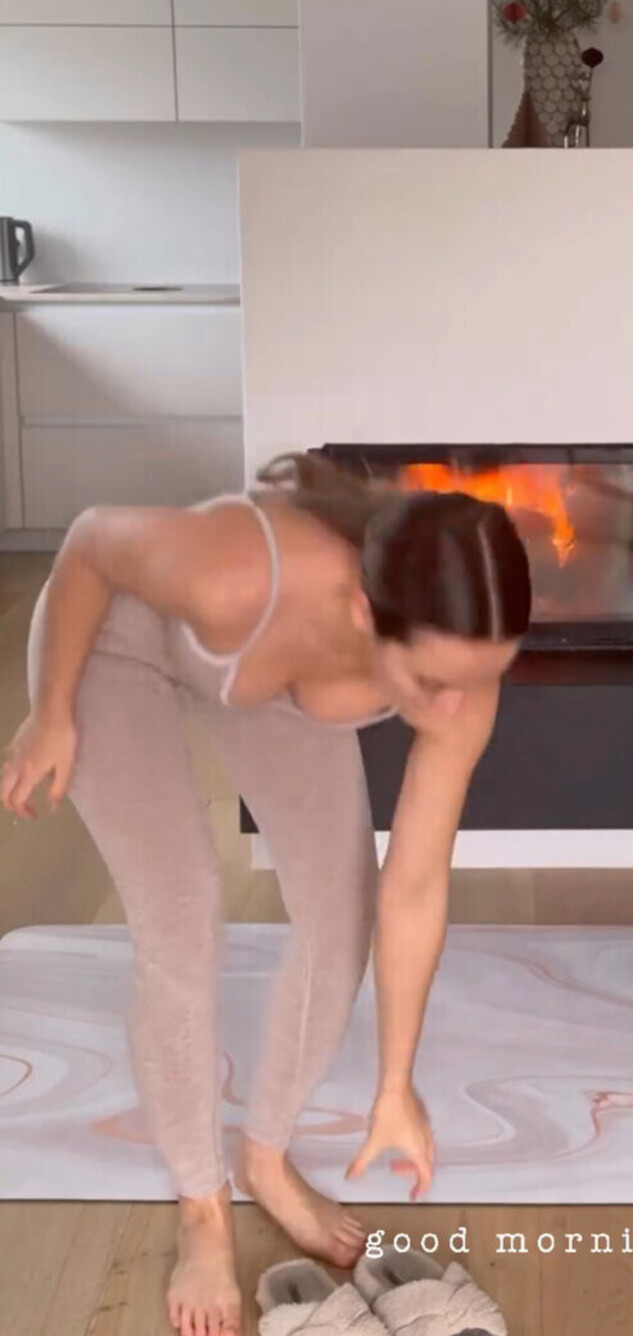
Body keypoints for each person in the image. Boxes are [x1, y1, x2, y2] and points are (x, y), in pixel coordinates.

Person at [0, 452, 532, 1336]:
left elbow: (412, 886)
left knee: (343, 909)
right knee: (181, 914)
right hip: (110, 643)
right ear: (364, 613)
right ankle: (203, 1212)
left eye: (484, 675)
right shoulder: (237, 572)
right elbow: (90, 542)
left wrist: (395, 1086)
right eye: (434, 682)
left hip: (271, 680)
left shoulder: (461, 685)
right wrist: (51, 711)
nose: (459, 708)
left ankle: (266, 1159)